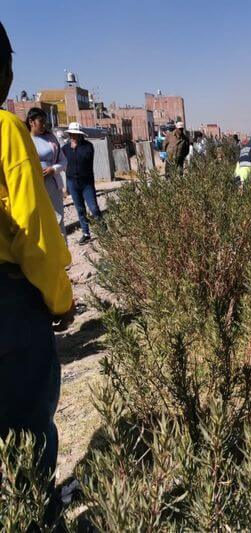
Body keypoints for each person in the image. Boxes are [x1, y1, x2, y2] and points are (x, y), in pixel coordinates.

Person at [0, 21, 74, 498]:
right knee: (27, 424)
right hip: (8, 306)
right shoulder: (6, 132)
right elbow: (34, 233)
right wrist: (60, 299)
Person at [26, 107, 67, 239]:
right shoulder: (23, 139)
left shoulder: (51, 139)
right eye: (41, 121)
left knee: (58, 218)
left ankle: (62, 253)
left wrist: (53, 169)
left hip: (52, 185)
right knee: (38, 222)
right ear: (31, 122)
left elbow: (63, 161)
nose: (44, 125)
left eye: (45, 122)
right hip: (32, 186)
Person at [62, 122, 102, 244]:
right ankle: (86, 233)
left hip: (86, 183)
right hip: (72, 182)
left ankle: (104, 230)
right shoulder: (65, 148)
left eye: (75, 134)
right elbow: (62, 163)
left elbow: (85, 159)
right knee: (80, 209)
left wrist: (75, 149)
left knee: (94, 208)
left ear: (80, 135)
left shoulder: (88, 146)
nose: (73, 136)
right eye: (71, 134)